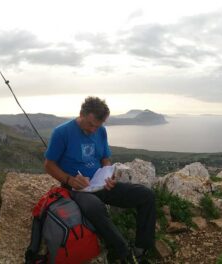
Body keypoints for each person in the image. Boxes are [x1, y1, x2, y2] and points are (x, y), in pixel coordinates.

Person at [44, 96, 156, 263]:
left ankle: (141, 248)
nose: (93, 130)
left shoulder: (101, 131)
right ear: (81, 114)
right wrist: (70, 180)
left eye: (98, 126)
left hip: (100, 183)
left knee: (146, 195)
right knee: (95, 207)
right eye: (90, 125)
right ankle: (123, 252)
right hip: (76, 188)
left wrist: (107, 174)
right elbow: (49, 165)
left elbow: (104, 158)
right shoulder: (62, 133)